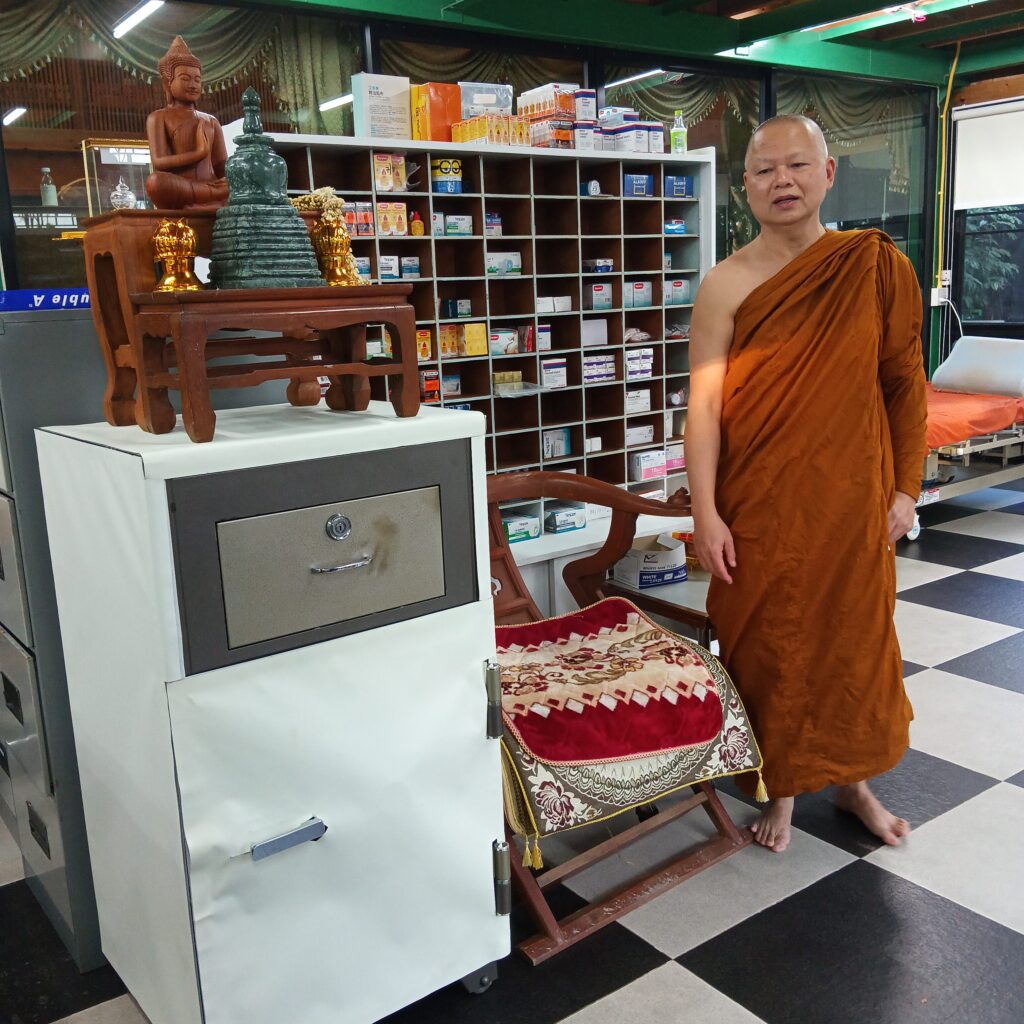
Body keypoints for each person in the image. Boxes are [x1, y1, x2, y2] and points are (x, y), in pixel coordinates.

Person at [686, 115, 927, 853]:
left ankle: (853, 785)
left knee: (853, 643)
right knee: (770, 645)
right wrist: (705, 513)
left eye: (797, 165)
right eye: (764, 170)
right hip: (759, 504)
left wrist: (907, 488)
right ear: (745, 187)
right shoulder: (725, 284)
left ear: (827, 175)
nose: (781, 181)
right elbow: (703, 408)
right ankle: (781, 786)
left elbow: (903, 383)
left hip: (850, 500)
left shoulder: (875, 267)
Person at [146, 36, 229, 210]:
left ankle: (210, 201)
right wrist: (199, 153)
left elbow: (221, 166)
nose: (193, 85)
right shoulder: (158, 117)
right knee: (155, 182)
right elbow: (159, 162)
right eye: (185, 79)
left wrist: (239, 173)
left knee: (244, 181)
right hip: (182, 186)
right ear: (167, 83)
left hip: (212, 185)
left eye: (197, 80)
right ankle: (212, 202)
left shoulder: (211, 121)